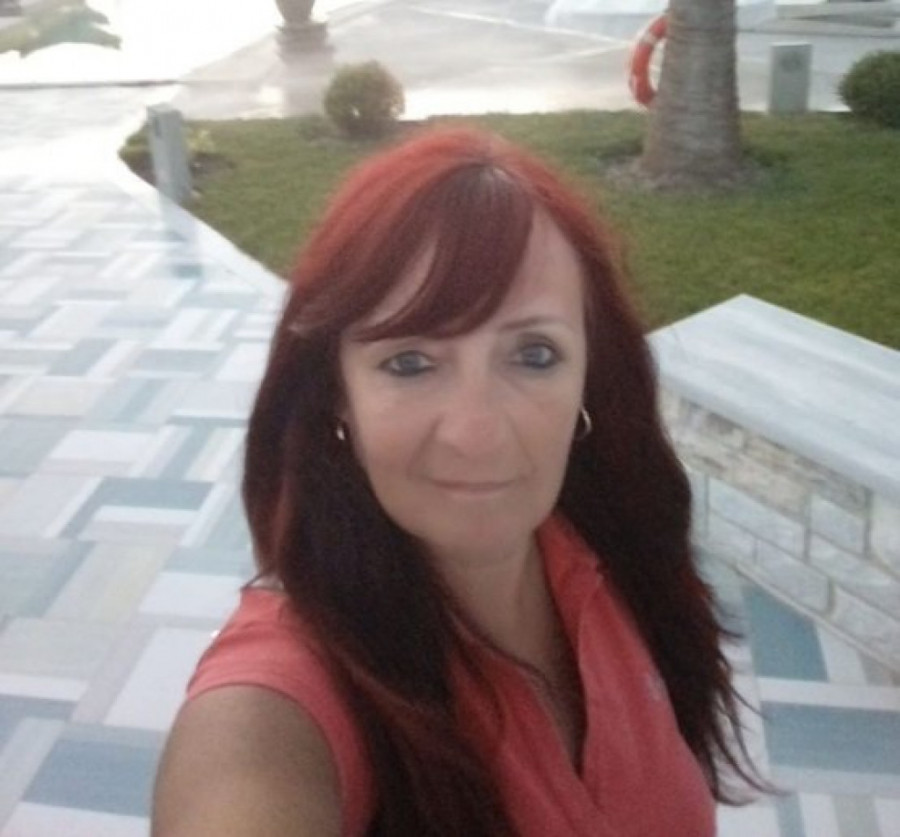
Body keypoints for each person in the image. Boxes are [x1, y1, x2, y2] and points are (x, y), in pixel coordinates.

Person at [152, 127, 762, 836]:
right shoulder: (278, 704)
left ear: (589, 377)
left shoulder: (623, 559)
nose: (477, 432)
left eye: (534, 355)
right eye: (410, 363)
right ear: (337, 396)